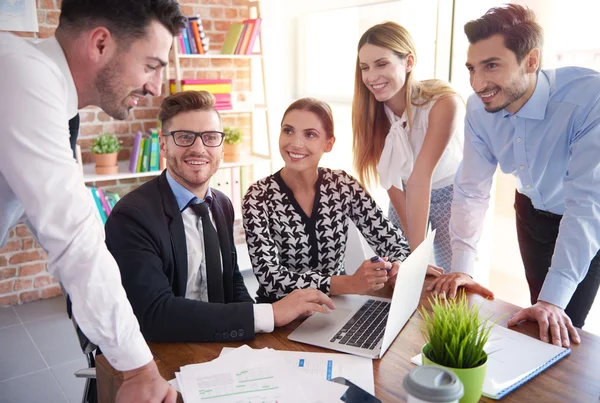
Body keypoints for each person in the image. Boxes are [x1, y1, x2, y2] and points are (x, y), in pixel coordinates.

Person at [0, 1, 186, 401]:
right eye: (151, 65)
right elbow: (72, 240)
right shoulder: (23, 76)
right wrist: (139, 369)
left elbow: (58, 222)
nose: (156, 86)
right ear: (100, 42)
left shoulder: (41, 84)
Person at [429, 4, 600, 348]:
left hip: (587, 214)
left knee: (565, 321)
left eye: (491, 66)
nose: (478, 83)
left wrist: (554, 299)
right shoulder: (478, 108)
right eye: (472, 69)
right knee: (541, 316)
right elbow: (471, 191)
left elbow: (587, 204)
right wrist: (463, 266)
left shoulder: (588, 99)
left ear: (531, 61)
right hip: (531, 212)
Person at [104, 91, 335, 342]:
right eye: (184, 137)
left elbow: (232, 281)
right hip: (163, 350)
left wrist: (259, 337)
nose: (199, 148)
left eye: (210, 138)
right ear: (163, 145)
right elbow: (154, 314)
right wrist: (270, 314)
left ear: (222, 147)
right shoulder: (133, 216)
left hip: (219, 342)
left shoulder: (221, 204)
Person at [243, 97, 440, 304]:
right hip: (281, 315)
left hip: (336, 306)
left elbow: (393, 241)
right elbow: (271, 279)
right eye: (288, 131)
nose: (295, 143)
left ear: (329, 144)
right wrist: (350, 284)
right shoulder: (258, 197)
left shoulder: (341, 184)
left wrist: (398, 264)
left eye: (310, 134)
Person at [352, 22, 465, 271]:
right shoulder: (372, 112)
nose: (371, 77)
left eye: (381, 64)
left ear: (409, 62)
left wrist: (417, 257)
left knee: (450, 275)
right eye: (365, 67)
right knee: (400, 268)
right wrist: (415, 256)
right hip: (404, 194)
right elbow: (393, 182)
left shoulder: (443, 103)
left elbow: (420, 178)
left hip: (449, 196)